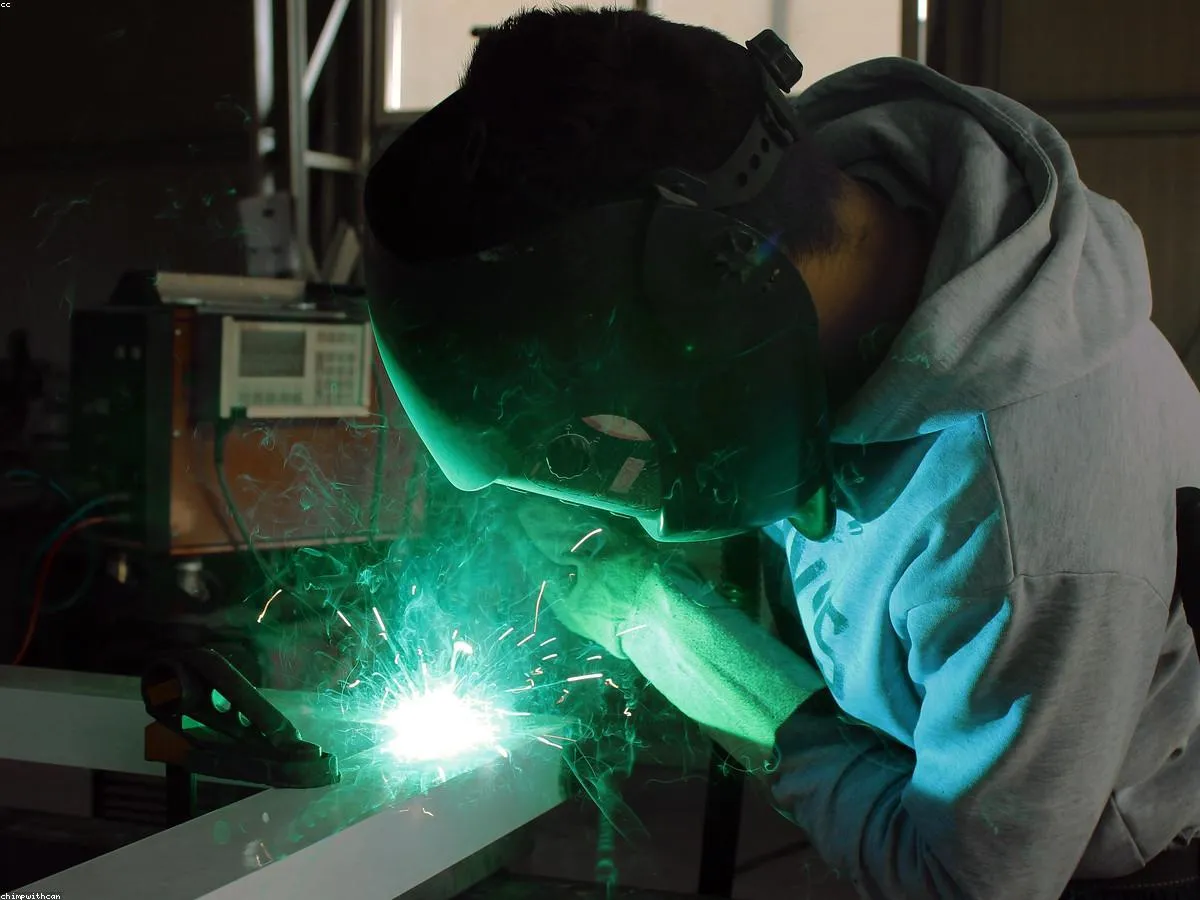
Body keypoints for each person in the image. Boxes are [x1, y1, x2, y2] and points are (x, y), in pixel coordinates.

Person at [362, 8, 1200, 899]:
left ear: (705, 297)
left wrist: (666, 626)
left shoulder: (1025, 522)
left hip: (1107, 875)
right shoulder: (830, 238)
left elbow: (960, 883)